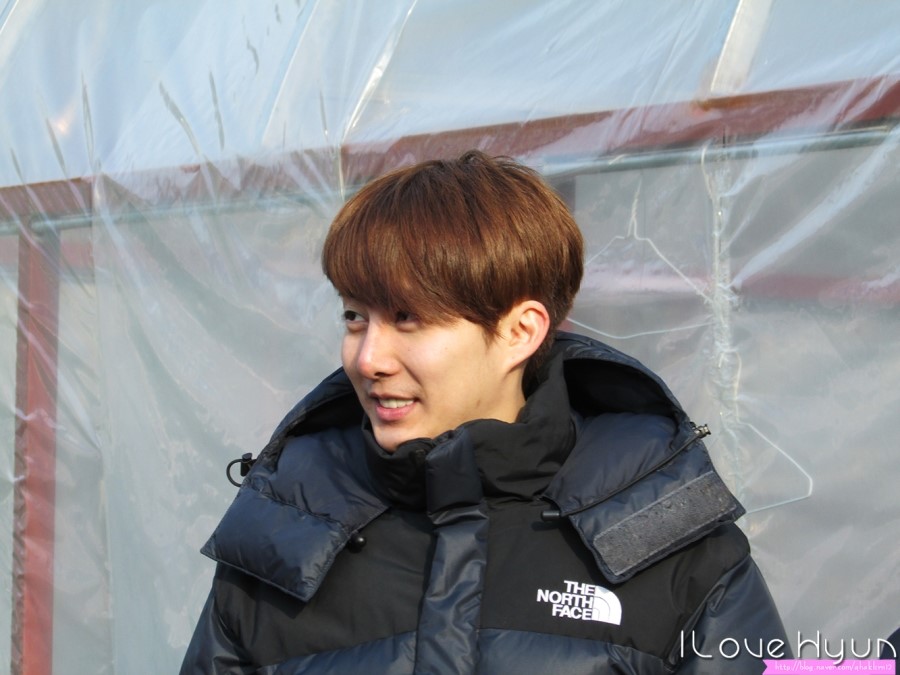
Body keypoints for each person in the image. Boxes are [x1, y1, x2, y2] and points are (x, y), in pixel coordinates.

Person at [181, 150, 789, 674]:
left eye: (408, 318)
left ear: (520, 331)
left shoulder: (668, 535)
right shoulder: (286, 536)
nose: (368, 359)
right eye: (354, 316)